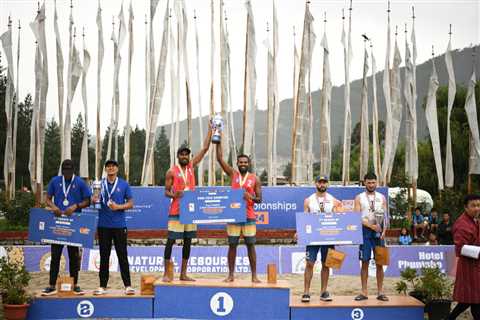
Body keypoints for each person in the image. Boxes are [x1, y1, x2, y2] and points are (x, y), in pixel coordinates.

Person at [162, 128, 212, 282]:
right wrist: (174, 194)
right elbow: (166, 192)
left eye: (186, 154)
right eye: (181, 154)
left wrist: (210, 130)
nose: (184, 156)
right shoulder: (171, 171)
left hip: (190, 211)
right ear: (177, 156)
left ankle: (183, 274)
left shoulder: (191, 167)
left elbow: (204, 149)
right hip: (176, 210)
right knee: (171, 240)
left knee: (188, 241)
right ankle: (166, 273)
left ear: (188, 156)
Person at [42, 159, 91, 296]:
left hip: (74, 224)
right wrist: (54, 207)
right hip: (58, 224)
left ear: (73, 170)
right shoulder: (55, 181)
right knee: (55, 256)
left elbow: (88, 200)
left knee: (74, 256)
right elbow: (47, 198)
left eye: (69, 170)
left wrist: (76, 206)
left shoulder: (80, 182)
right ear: (62, 170)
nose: (67, 173)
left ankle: (75, 284)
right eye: (65, 170)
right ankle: (51, 285)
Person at [216, 142, 262, 283]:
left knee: (250, 245)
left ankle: (254, 275)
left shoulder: (255, 178)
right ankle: (231, 275)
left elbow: (259, 199)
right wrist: (218, 142)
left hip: (248, 216)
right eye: (240, 162)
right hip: (233, 216)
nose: (243, 164)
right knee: (232, 245)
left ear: (248, 164)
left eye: (245, 162)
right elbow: (219, 159)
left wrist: (251, 197)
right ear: (237, 163)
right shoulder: (233, 174)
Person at [93, 160, 135, 295]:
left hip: (119, 225)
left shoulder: (123, 184)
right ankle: (102, 286)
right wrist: (93, 199)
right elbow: (93, 200)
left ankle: (128, 285)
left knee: (122, 255)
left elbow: (130, 203)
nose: (110, 168)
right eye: (108, 166)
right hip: (103, 225)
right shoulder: (99, 184)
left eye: (113, 166)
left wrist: (118, 207)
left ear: (117, 169)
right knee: (104, 256)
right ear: (105, 169)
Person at [300, 175, 343, 303]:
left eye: (324, 182)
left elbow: (340, 218)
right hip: (313, 236)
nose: (322, 185)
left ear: (327, 184)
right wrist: (301, 232)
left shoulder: (334, 200)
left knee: (326, 264)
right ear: (315, 184)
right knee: (309, 264)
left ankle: (323, 292)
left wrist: (342, 235)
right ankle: (306, 292)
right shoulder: (308, 200)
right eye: (320, 182)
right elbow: (304, 219)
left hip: (328, 236)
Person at [353, 172, 389, 302]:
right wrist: (370, 226)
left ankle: (380, 292)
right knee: (365, 262)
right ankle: (364, 291)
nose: (371, 184)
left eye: (373, 182)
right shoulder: (359, 197)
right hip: (365, 233)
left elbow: (385, 216)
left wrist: (384, 231)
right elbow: (356, 217)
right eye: (369, 182)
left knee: (380, 263)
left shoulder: (382, 197)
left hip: (379, 233)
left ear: (376, 183)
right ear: (364, 183)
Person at [447, 194, 480, 320]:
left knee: (472, 299)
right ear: (466, 207)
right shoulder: (462, 224)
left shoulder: (474, 220)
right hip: (469, 267)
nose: (477, 208)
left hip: (476, 265)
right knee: (473, 299)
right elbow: (460, 248)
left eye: (478, 205)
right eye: (473, 206)